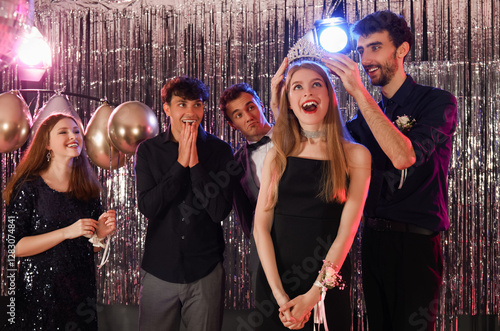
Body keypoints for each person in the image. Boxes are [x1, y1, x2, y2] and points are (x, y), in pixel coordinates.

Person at [323, 10, 457, 330]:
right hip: (373, 243)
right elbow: (323, 151)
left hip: (417, 247)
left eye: (375, 47)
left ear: (401, 50)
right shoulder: (365, 117)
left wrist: (358, 91)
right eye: (360, 50)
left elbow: (404, 156)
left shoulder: (437, 102)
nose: (365, 58)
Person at [253, 59, 371, 330]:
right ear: (290, 103)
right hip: (275, 283)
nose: (308, 92)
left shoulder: (356, 156)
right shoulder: (277, 156)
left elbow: (347, 232)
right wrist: (280, 296)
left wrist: (315, 295)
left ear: (329, 96)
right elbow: (261, 227)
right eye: (297, 87)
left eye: (316, 84)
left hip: (326, 283)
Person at [135, 76, 234, 331]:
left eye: (197, 105)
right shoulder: (149, 151)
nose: (191, 112)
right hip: (159, 269)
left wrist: (194, 165)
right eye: (182, 104)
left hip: (205, 270)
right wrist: (179, 165)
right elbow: (147, 207)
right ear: (167, 108)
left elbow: (219, 211)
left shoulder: (220, 151)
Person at [3, 113, 117, 330]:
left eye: (76, 131)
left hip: (80, 296)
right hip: (38, 297)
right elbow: (13, 247)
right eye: (63, 131)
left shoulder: (88, 190)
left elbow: (83, 248)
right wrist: (66, 232)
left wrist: (99, 236)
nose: (73, 136)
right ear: (46, 143)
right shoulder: (28, 187)